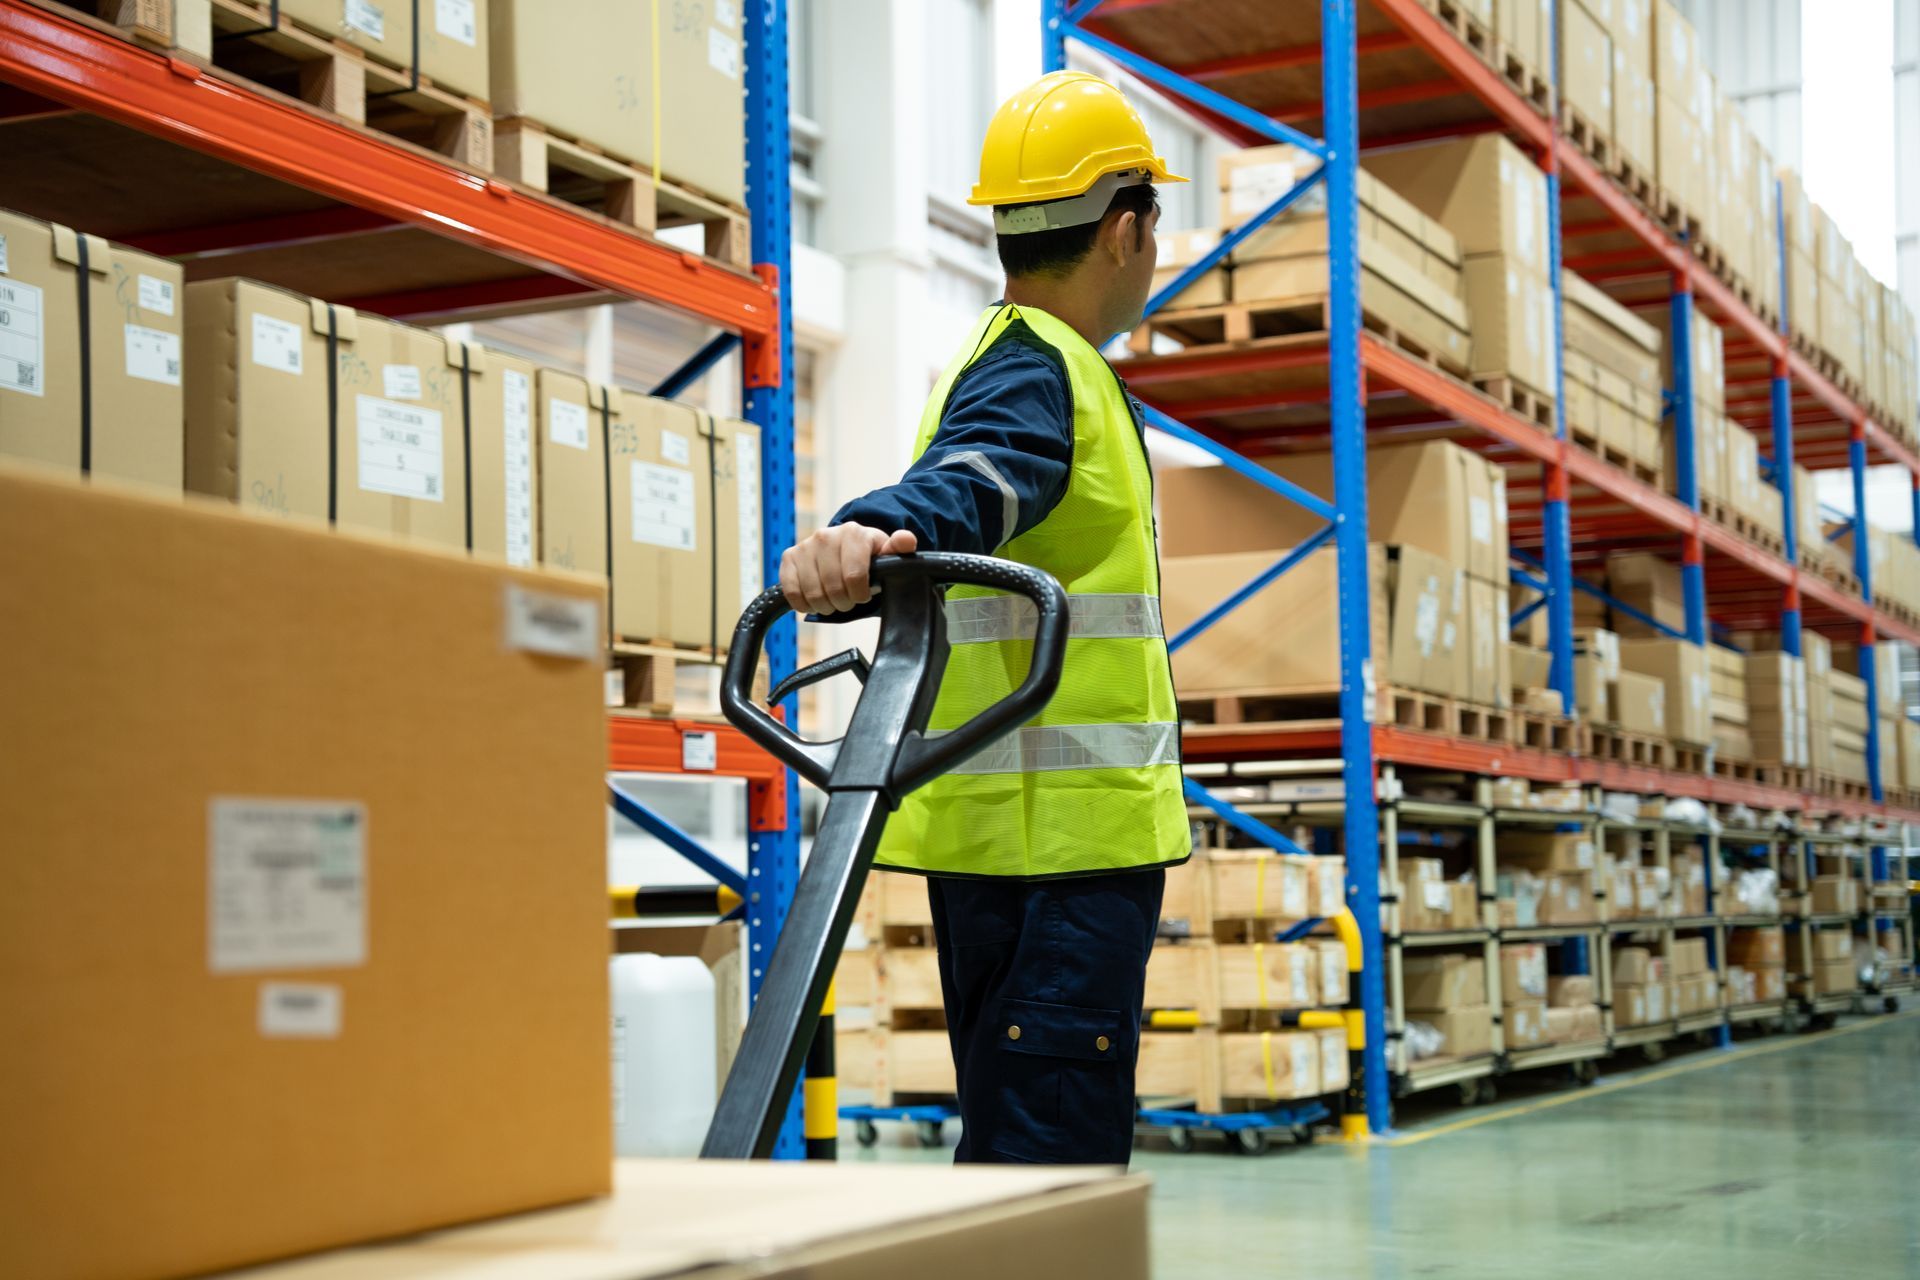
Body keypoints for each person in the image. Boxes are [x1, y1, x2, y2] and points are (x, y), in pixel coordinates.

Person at [780, 71, 1190, 1166]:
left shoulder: (1025, 362)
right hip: (1058, 854)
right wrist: (875, 530)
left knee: (1019, 1141)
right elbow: (975, 476)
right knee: (1046, 1159)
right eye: (1154, 221)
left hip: (1015, 843)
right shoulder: (1038, 370)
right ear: (1124, 227)